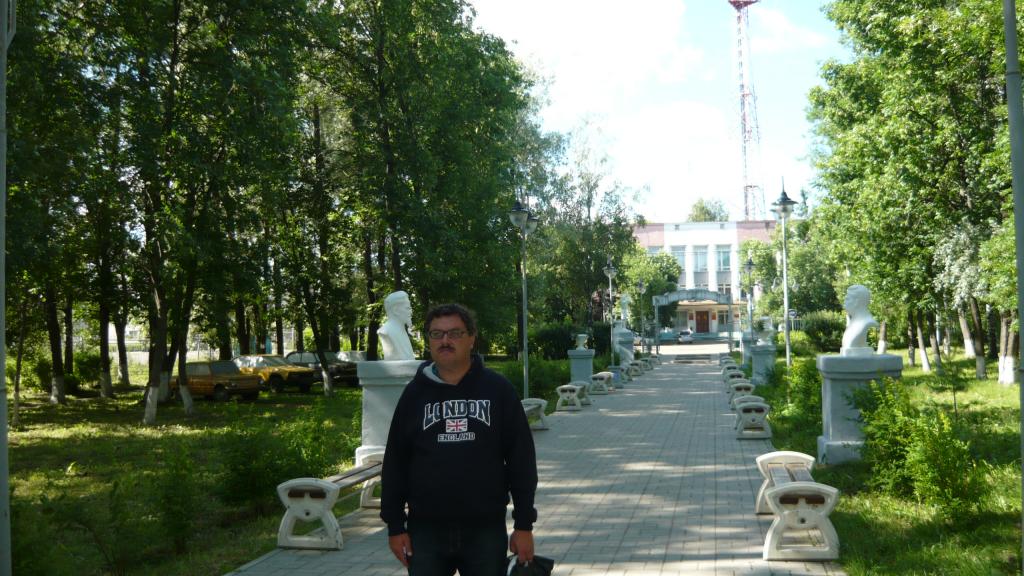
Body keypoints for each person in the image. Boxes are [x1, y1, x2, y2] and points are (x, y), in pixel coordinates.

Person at [381, 303, 538, 576]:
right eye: (437, 334)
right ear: (429, 340)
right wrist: (395, 526)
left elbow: (521, 460)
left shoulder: (497, 390)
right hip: (425, 531)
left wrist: (524, 525)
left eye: (455, 333)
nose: (445, 341)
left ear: (471, 338)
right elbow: (396, 462)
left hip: (485, 529)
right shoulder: (414, 395)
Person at [841, 284, 878, 355]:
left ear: (856, 302)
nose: (844, 302)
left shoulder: (866, 322)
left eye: (847, 299)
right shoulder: (854, 323)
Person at [378, 291, 416, 360]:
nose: (411, 312)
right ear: (395, 310)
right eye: (408, 308)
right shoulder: (387, 331)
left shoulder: (400, 330)